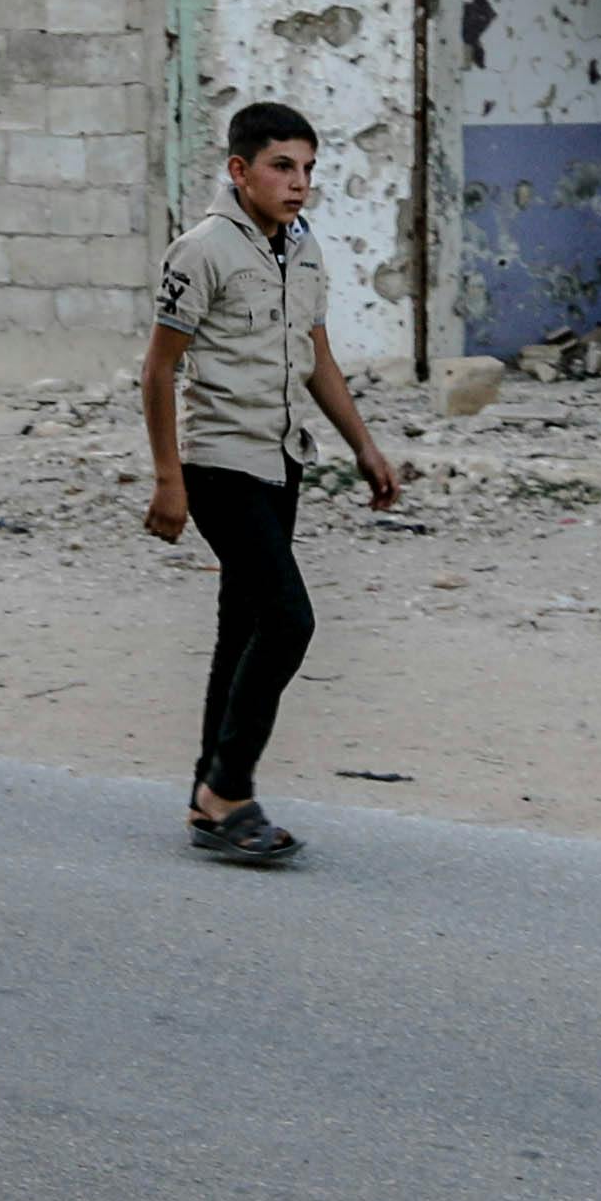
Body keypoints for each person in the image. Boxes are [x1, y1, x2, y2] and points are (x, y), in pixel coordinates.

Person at [141, 99, 402, 863]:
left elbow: (316, 354)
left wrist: (364, 447)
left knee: (244, 626)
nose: (299, 184)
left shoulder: (302, 247)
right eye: (282, 167)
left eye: (308, 169)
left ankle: (205, 796)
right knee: (289, 621)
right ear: (239, 170)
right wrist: (168, 480)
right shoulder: (201, 251)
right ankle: (231, 791)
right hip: (220, 461)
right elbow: (159, 369)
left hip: (282, 458)